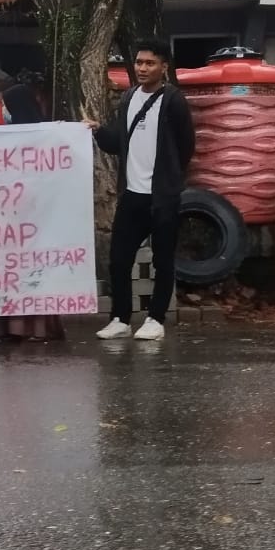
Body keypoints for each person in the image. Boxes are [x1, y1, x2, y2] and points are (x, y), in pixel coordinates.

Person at [85, 39, 196, 341]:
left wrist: (170, 179)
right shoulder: (129, 98)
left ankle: (155, 320)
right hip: (132, 194)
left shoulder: (173, 100)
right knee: (119, 259)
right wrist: (97, 130)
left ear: (164, 67)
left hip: (162, 195)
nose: (143, 68)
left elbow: (187, 146)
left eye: (150, 63)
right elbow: (118, 143)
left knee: (162, 260)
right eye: (139, 62)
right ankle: (121, 318)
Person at [0, 84, 65, 342]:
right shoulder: (26, 136)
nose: (3, 111)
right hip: (18, 217)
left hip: (29, 217)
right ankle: (31, 329)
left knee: (27, 271)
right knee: (19, 271)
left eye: (6, 106)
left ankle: (23, 328)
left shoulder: (42, 138)